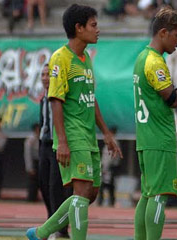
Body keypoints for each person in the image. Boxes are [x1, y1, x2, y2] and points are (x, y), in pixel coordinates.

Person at [26, 4, 122, 240]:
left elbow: (90, 98)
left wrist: (106, 133)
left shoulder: (86, 57)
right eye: (93, 25)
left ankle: (41, 232)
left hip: (89, 136)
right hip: (73, 135)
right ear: (79, 28)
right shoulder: (60, 58)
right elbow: (55, 100)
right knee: (80, 193)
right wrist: (64, 142)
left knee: (91, 193)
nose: (97, 30)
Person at [133, 6, 177, 240]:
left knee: (147, 195)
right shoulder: (155, 62)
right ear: (162, 33)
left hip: (145, 137)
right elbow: (172, 99)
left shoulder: (141, 57)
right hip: (159, 138)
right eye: (176, 35)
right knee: (159, 195)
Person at [38, 63, 72, 239]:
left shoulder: (59, 97)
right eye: (43, 74)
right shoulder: (43, 98)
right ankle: (51, 220)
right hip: (43, 144)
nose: (45, 77)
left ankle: (59, 227)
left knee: (55, 186)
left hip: (56, 144)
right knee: (43, 183)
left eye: (48, 74)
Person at [97, 126, 121, 207]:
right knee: (110, 185)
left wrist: (105, 168)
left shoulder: (112, 142)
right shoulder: (114, 141)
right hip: (109, 167)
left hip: (109, 167)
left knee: (105, 184)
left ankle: (103, 201)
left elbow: (109, 156)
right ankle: (110, 201)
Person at [24, 123, 40, 202]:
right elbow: (27, 154)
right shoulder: (31, 139)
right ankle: (31, 198)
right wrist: (29, 167)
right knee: (32, 182)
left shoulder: (41, 138)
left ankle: (36, 197)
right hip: (34, 162)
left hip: (40, 162)